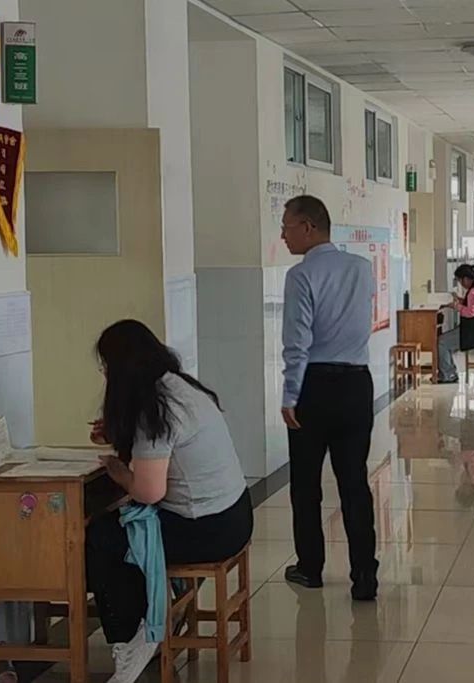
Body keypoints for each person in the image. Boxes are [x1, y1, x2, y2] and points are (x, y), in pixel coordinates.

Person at [86, 320, 253, 683]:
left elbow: (149, 492)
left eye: (107, 367)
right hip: (235, 515)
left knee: (101, 539)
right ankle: (160, 607)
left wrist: (116, 470)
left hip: (207, 529)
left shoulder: (155, 409)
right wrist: (118, 434)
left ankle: (134, 639)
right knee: (123, 530)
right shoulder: (179, 387)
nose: (105, 375)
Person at [279, 195, 378, 601]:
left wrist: (290, 395)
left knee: (305, 484)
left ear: (308, 227)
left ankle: (310, 568)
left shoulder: (300, 275)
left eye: (286, 226)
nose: (283, 235)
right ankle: (365, 578)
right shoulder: (362, 268)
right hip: (357, 385)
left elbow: (297, 342)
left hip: (314, 388)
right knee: (354, 481)